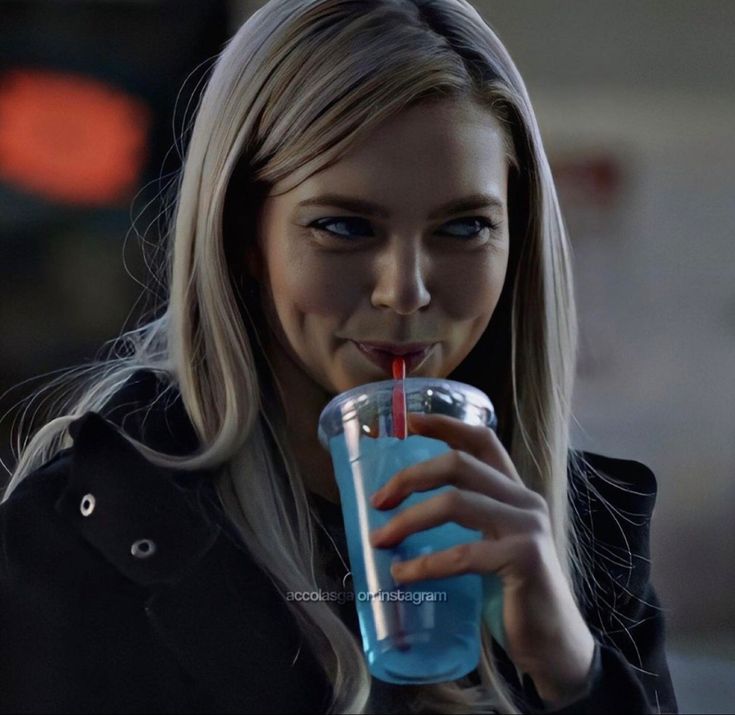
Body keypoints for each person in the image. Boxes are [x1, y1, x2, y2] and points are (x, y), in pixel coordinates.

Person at [0, 1, 678, 713]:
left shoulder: (583, 551)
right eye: (345, 226)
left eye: (464, 226)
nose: (405, 289)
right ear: (243, 237)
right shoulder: (77, 546)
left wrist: (574, 674)